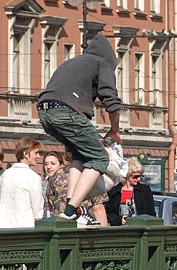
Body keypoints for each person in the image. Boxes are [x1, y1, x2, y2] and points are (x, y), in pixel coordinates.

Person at [37, 35, 121, 229]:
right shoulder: (103, 64)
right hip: (66, 111)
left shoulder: (74, 63)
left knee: (79, 156)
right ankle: (71, 210)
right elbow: (112, 101)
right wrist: (114, 130)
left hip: (45, 111)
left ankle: (69, 211)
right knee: (100, 159)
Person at [45, 151, 109, 227]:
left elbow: (49, 204)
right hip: (83, 225)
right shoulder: (91, 173)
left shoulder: (56, 175)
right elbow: (98, 208)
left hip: (60, 224)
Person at [0, 137, 44, 229]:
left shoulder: (5, 174)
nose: (38, 156)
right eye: (36, 153)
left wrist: (6, 213)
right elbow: (38, 211)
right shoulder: (33, 177)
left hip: (4, 229)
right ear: (25, 154)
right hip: (26, 230)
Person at [105, 157, 156, 226]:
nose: (138, 179)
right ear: (127, 175)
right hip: (120, 230)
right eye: (135, 176)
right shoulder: (114, 191)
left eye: (140, 176)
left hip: (140, 228)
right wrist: (119, 220)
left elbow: (151, 213)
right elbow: (108, 213)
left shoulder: (144, 190)